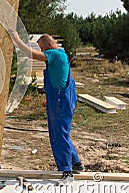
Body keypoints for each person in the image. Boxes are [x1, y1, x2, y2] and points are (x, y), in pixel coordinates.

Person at [7, 31, 85, 185]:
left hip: (60, 101)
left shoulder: (55, 54)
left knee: (59, 136)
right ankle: (76, 163)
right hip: (59, 100)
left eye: (43, 48)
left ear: (49, 45)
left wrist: (15, 38)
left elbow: (31, 54)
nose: (43, 52)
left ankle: (67, 171)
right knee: (60, 133)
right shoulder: (60, 55)